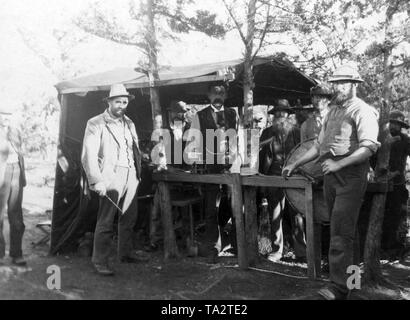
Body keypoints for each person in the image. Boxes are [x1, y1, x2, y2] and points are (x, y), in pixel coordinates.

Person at [283, 64, 380, 300]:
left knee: (340, 232)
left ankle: (338, 287)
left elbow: (368, 147)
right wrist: (295, 164)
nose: (339, 87)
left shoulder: (362, 110)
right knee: (348, 232)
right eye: (336, 83)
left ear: (355, 85)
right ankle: (352, 284)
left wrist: (339, 164)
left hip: (351, 177)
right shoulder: (334, 111)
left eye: (344, 83)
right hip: (330, 178)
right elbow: (318, 146)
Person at [81, 83, 145, 276]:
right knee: (106, 220)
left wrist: (137, 172)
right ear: (109, 102)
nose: (122, 105)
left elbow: (134, 150)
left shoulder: (129, 123)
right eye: (118, 101)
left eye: (125, 102)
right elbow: (88, 154)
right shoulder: (96, 123)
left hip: (131, 174)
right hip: (110, 175)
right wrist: (96, 180)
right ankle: (100, 261)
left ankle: (125, 253)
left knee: (129, 217)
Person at [186, 84, 239, 260]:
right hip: (210, 166)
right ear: (208, 95)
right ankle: (212, 248)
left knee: (234, 207)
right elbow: (193, 142)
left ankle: (236, 246)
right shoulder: (200, 116)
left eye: (222, 92)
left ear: (226, 95)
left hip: (231, 167)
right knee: (210, 209)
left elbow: (236, 140)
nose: (218, 95)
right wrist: (196, 162)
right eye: (214, 92)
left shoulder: (233, 114)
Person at [258, 99, 300, 262]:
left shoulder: (297, 132)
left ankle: (301, 250)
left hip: (294, 176)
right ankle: (277, 250)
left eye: (283, 112)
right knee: (274, 212)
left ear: (289, 114)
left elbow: (302, 152)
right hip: (273, 176)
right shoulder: (267, 133)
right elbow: (261, 156)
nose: (280, 115)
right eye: (277, 112)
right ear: (274, 115)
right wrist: (262, 180)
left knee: (297, 214)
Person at [381, 110, 410, 260]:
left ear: (401, 125)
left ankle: (396, 249)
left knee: (397, 217)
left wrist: (397, 172)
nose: (394, 126)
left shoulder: (406, 140)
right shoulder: (381, 138)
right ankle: (383, 248)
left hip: (398, 184)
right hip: (380, 183)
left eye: (397, 124)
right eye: (391, 122)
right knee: (382, 216)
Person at [0, 109, 27, 266]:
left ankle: (17, 253)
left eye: (8, 116)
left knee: (15, 213)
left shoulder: (16, 132)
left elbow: (20, 155)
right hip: (1, 174)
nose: (5, 119)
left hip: (15, 171)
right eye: (2, 115)